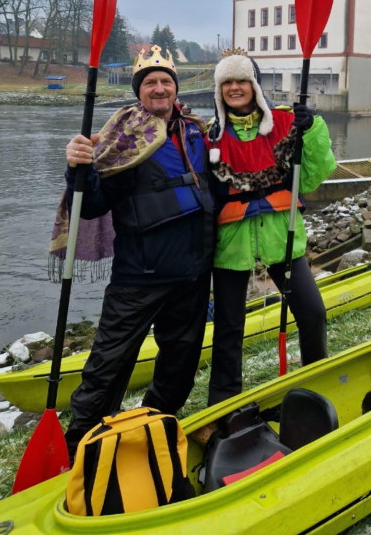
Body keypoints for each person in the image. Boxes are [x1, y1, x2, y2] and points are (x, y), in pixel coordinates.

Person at [55, 45, 215, 461]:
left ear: (175, 88)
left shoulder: (198, 131)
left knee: (180, 366)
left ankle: (154, 424)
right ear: (139, 92)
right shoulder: (121, 136)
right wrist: (78, 168)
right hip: (138, 276)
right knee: (106, 369)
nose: (159, 89)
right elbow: (91, 205)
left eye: (166, 81)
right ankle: (81, 449)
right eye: (150, 83)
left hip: (192, 275)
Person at [204, 48, 337, 405]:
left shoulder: (285, 124)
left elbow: (311, 178)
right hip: (231, 245)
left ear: (254, 85)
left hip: (283, 239)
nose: (234, 88)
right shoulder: (210, 138)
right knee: (229, 330)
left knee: (312, 314)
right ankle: (224, 402)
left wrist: (311, 131)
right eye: (226, 82)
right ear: (219, 91)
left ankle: (315, 380)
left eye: (241, 81)